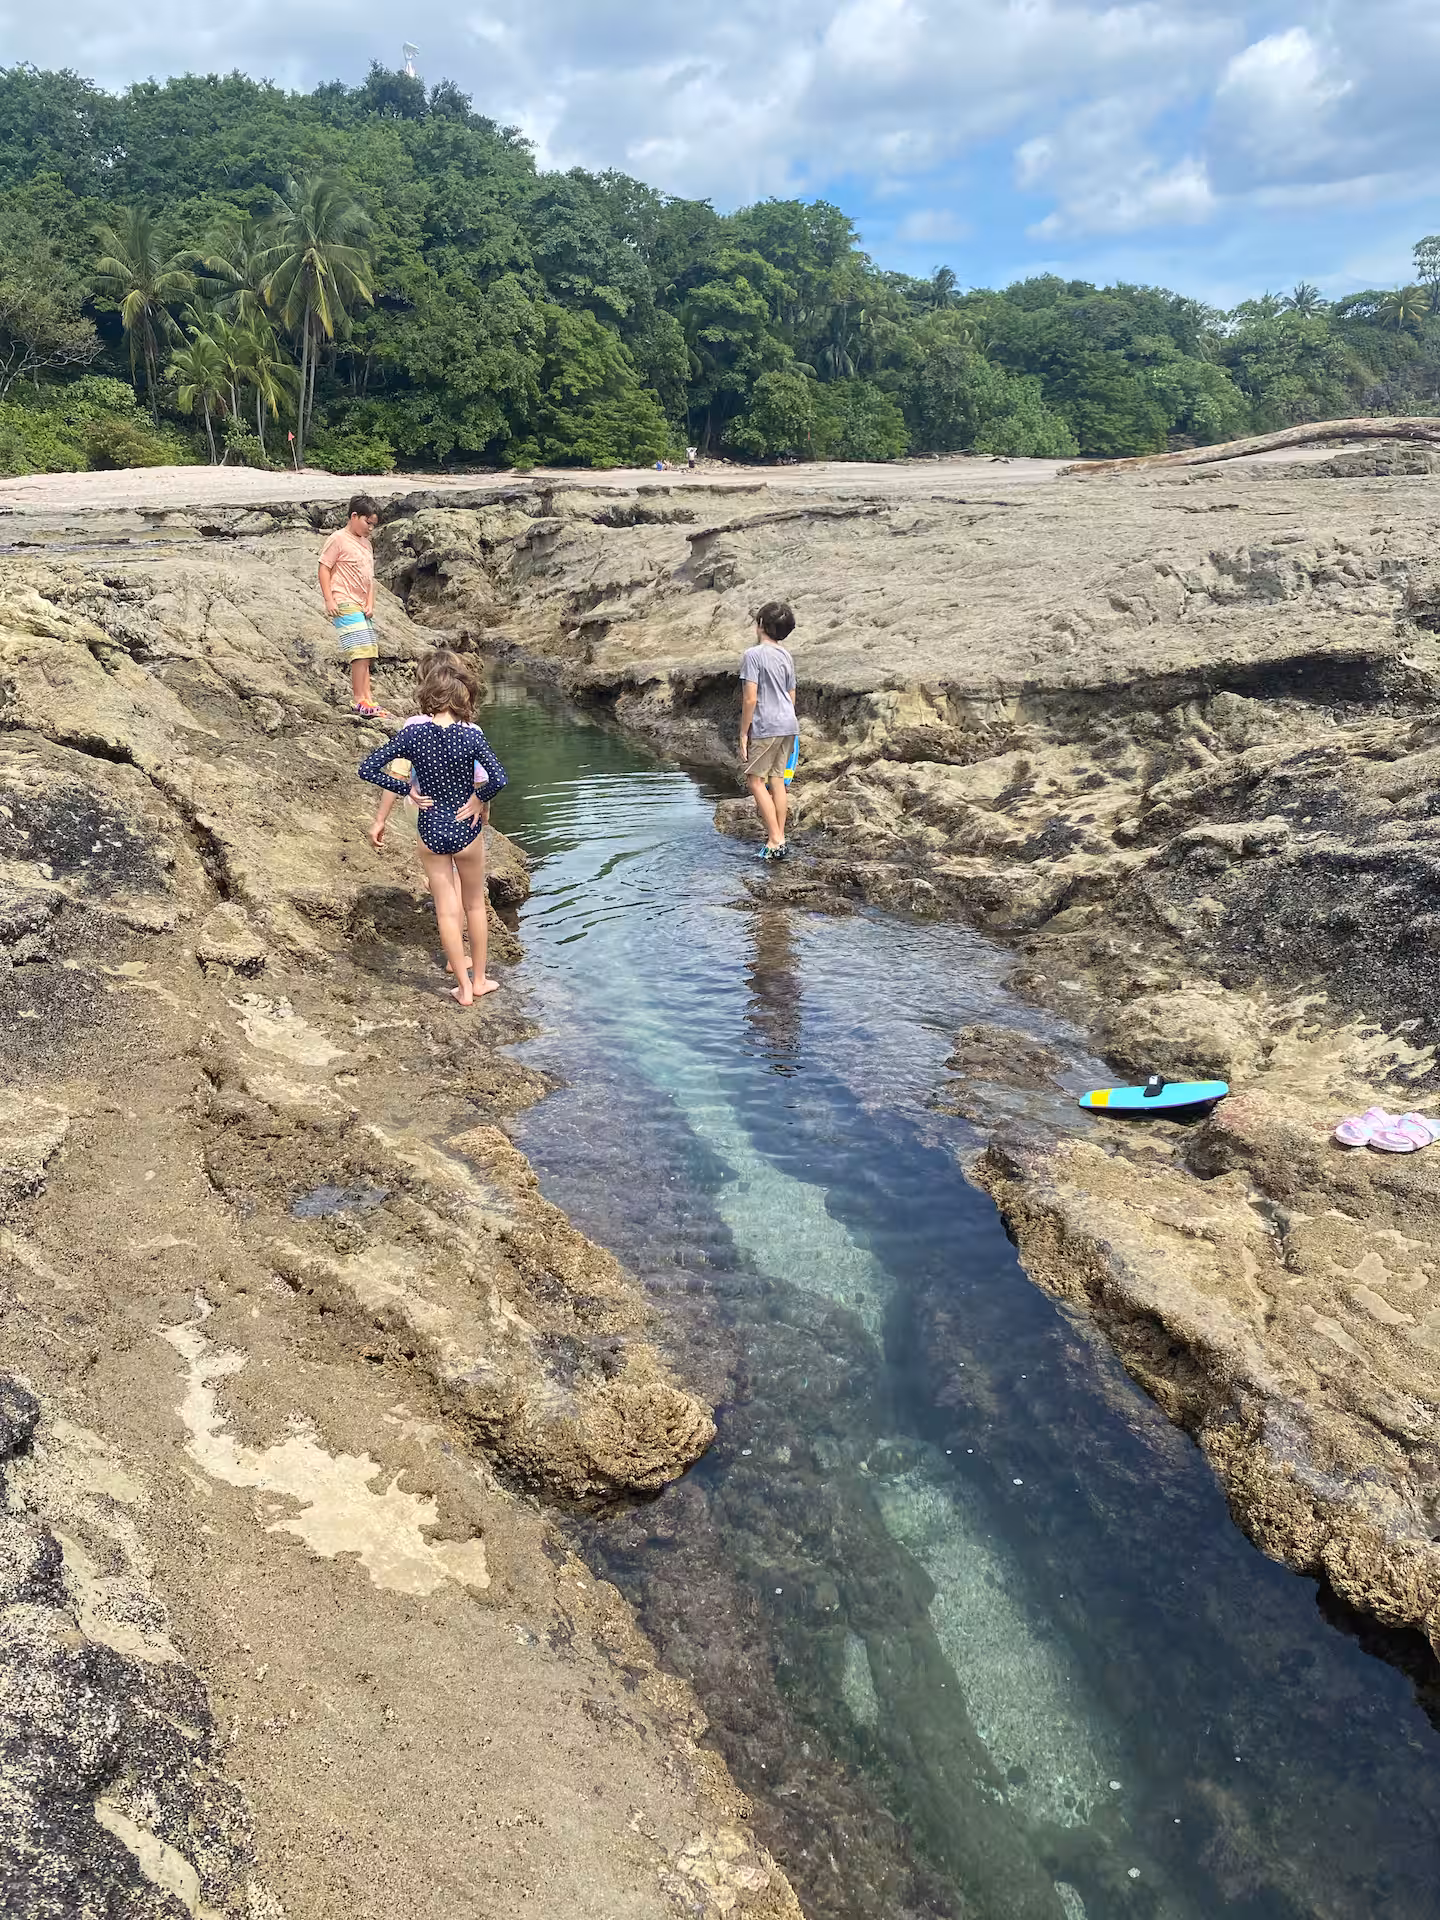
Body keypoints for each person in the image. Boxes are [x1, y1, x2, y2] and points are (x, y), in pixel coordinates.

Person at [359, 650, 508, 1006]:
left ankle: (462, 988)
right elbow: (499, 778)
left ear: (428, 695)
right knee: (474, 904)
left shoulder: (413, 734)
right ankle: (481, 980)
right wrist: (479, 799)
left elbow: (367, 769)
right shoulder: (471, 736)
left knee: (445, 908)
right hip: (466, 827)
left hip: (431, 827)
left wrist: (407, 790)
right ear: (463, 697)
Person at [738, 601, 798, 861]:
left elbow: (750, 698)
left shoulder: (753, 655)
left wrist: (744, 732)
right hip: (788, 723)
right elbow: (791, 693)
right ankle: (780, 837)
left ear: (761, 624)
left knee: (754, 781)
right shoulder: (785, 655)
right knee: (777, 780)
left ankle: (775, 839)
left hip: (767, 725)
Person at [319, 494, 387, 719]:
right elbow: (324, 568)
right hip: (344, 599)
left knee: (368, 651)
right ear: (354, 516)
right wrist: (329, 599)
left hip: (361, 603)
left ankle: (368, 697)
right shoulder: (338, 539)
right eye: (368, 523)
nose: (370, 529)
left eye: (373, 525)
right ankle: (359, 699)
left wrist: (370, 602)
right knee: (359, 651)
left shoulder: (366, 544)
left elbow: (369, 578)